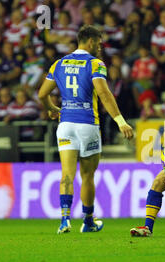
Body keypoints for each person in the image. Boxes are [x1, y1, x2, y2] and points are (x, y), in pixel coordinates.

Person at [38, 25, 134, 234]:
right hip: (88, 124)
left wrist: (52, 109)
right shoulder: (95, 64)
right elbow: (104, 93)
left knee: (66, 174)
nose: (100, 47)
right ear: (90, 41)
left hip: (65, 126)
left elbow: (42, 94)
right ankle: (88, 221)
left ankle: (64, 220)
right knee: (88, 176)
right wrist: (120, 121)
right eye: (99, 43)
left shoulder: (59, 64)